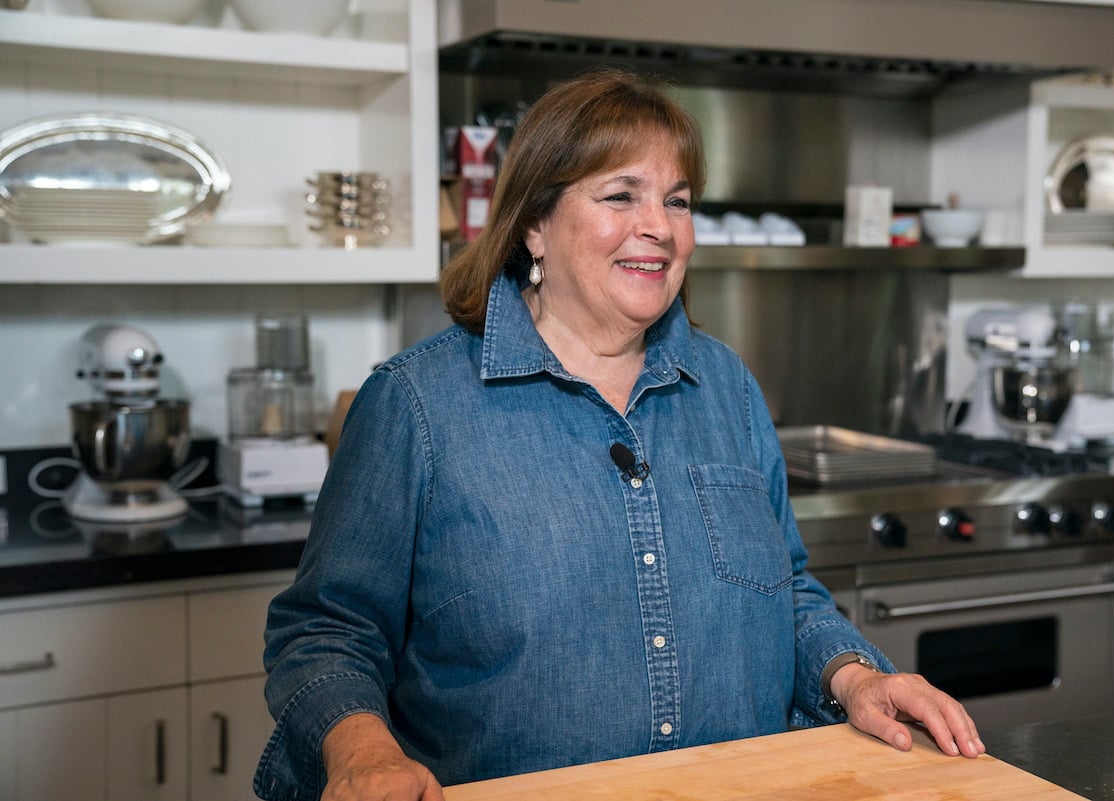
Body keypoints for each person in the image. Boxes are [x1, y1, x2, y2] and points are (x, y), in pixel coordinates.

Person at [253, 68, 984, 801]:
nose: (659, 227)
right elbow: (327, 628)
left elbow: (783, 592)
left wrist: (855, 677)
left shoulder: (724, 386)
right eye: (620, 195)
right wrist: (362, 749)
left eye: (677, 201)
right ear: (533, 223)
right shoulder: (418, 403)